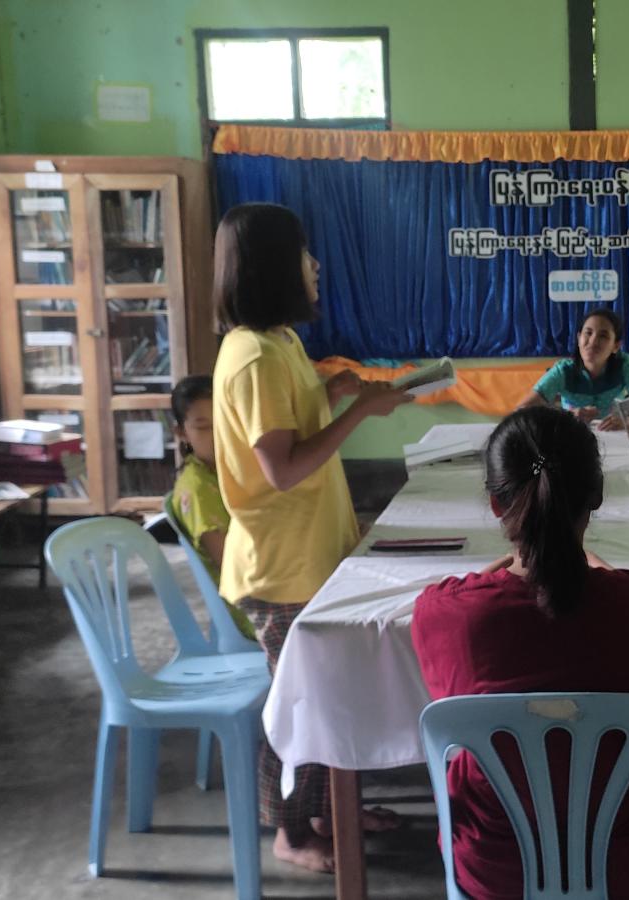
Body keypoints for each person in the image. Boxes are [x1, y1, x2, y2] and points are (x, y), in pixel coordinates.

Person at [411, 406, 629, 900]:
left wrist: (505, 567)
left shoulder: (446, 613)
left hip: (495, 868)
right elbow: (627, 595)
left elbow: (466, 597)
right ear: (596, 496)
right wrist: (593, 563)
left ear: (496, 504)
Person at [209, 202, 410, 873]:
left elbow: (288, 426)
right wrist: (360, 411)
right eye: (302, 253)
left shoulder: (281, 343)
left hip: (309, 557)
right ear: (273, 265)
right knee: (300, 702)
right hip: (282, 567)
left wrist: (332, 391)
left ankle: (333, 810)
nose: (315, 266)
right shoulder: (254, 358)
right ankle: (291, 833)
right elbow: (284, 469)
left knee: (331, 693)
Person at [167, 374, 255, 640]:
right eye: (204, 427)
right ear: (182, 433)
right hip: (250, 609)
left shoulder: (225, 471)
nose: (219, 436)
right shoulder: (198, 490)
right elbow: (234, 567)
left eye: (225, 422)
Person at [519, 308, 629, 431]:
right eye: (588, 333)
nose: (593, 341)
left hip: (614, 435)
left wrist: (626, 420)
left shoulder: (625, 364)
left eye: (603, 336)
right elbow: (522, 411)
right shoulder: (563, 371)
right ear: (579, 338)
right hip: (572, 433)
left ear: (616, 346)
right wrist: (567, 416)